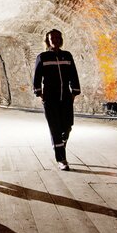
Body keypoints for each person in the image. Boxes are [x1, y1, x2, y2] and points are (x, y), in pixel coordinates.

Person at [33, 29, 80, 170]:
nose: (55, 40)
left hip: (65, 96)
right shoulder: (42, 57)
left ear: (61, 39)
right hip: (50, 98)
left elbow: (74, 75)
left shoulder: (67, 56)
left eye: (57, 37)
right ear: (48, 40)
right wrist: (40, 94)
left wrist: (74, 92)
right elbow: (36, 78)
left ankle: (59, 144)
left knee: (67, 126)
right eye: (52, 38)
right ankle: (62, 159)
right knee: (55, 128)